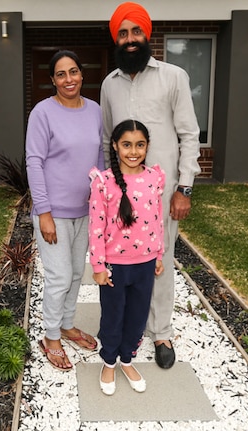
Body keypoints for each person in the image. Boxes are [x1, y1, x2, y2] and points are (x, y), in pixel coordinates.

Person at [100, 1, 201, 370]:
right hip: (120, 195)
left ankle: (160, 331)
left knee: (160, 260)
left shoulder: (174, 77)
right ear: (117, 38)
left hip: (161, 193)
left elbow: (190, 135)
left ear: (147, 34)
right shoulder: (109, 85)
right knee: (122, 262)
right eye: (122, 33)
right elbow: (105, 139)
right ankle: (127, 328)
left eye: (135, 31)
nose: (129, 39)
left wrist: (184, 187)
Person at [26, 50, 105, 370]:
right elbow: (34, 161)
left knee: (75, 273)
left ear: (82, 75)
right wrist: (43, 212)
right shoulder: (43, 113)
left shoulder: (96, 111)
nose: (69, 79)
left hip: (86, 210)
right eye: (61, 74)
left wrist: (102, 202)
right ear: (52, 80)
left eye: (73, 72)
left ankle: (67, 323)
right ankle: (50, 335)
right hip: (54, 212)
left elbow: (100, 158)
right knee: (59, 276)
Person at [89, 119, 165, 395]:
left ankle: (127, 359)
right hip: (114, 266)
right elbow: (96, 228)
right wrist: (98, 265)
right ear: (115, 146)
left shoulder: (154, 178)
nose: (134, 151)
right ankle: (109, 361)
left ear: (147, 146)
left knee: (137, 316)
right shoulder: (104, 182)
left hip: (144, 264)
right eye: (127, 145)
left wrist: (158, 254)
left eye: (140, 145)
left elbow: (157, 221)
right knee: (113, 316)